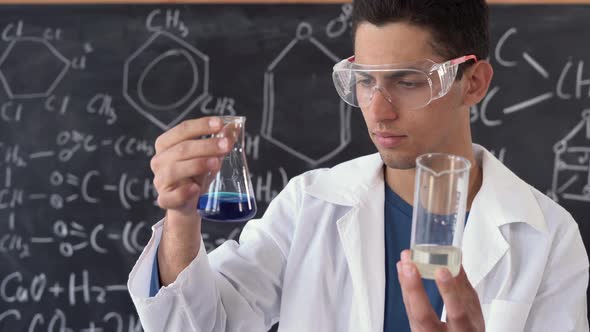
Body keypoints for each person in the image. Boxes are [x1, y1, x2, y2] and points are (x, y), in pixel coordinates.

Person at [127, 0, 589, 331]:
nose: (378, 110)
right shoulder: (309, 205)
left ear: (473, 83)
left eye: (408, 82)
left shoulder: (546, 235)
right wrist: (182, 218)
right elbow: (199, 326)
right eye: (364, 81)